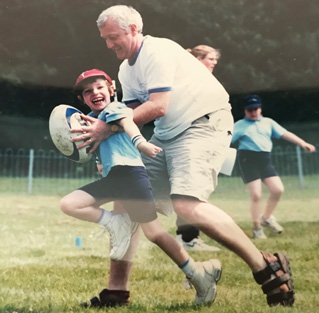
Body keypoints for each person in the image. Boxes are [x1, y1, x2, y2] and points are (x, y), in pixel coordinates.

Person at [71, 5, 295, 308]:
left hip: (203, 124)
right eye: (105, 40)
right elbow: (127, 117)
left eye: (113, 38)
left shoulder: (157, 51)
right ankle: (116, 292)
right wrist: (101, 136)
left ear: (134, 29)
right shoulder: (126, 69)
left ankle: (267, 266)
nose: (109, 45)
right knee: (126, 199)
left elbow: (158, 106)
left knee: (188, 207)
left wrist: (104, 128)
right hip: (168, 133)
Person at [61, 68, 223, 306]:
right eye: (87, 91)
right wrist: (98, 162)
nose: (95, 93)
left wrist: (141, 143)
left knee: (155, 233)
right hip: (114, 179)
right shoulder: (90, 119)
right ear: (81, 99)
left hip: (132, 177)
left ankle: (199, 274)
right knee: (69, 204)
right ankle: (115, 222)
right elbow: (95, 144)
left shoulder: (114, 109)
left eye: (99, 87)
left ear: (111, 89)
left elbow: (128, 121)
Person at [231, 95, 316, 239]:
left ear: (260, 108)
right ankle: (257, 228)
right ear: (245, 111)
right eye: (249, 110)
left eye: (255, 109)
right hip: (248, 160)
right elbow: (226, 140)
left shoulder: (268, 122)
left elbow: (285, 134)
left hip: (264, 160)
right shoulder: (239, 125)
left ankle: (266, 218)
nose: (253, 112)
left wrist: (303, 143)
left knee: (277, 189)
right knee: (256, 195)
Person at [175, 44, 221, 252]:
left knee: (191, 190)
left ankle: (187, 237)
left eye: (215, 60)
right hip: (192, 139)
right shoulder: (191, 80)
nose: (214, 63)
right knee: (191, 191)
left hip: (205, 137)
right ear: (199, 59)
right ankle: (189, 238)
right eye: (210, 58)